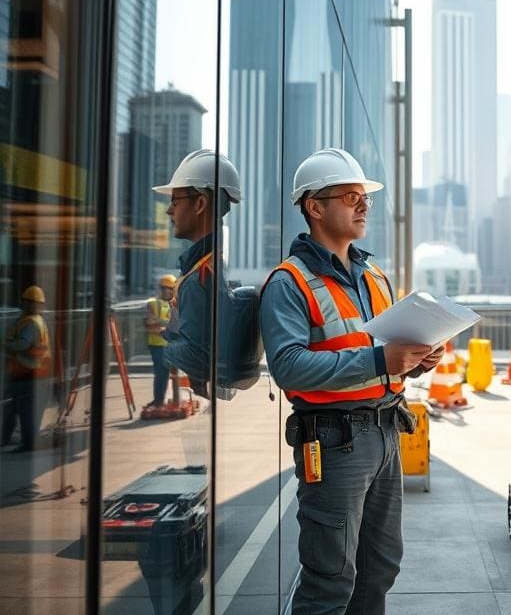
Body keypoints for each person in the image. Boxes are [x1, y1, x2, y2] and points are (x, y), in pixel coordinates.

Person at [261, 148, 443, 615]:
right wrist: (382, 360)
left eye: (365, 197)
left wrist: (417, 360)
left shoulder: (373, 276)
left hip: (386, 432)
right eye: (349, 196)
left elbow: (382, 354)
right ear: (315, 207)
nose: (363, 205)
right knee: (329, 581)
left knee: (379, 568)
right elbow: (288, 367)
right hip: (334, 442)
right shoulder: (289, 282)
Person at [152, 149, 242, 399]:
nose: (169, 211)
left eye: (175, 202)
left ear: (200, 204)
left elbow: (197, 356)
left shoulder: (199, 277)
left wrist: (164, 352)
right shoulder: (210, 266)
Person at [2, 286, 52, 452]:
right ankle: (6, 437)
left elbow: (22, 345)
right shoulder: (34, 320)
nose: (27, 304)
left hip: (28, 372)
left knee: (24, 410)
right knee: (15, 408)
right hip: (29, 371)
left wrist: (4, 344)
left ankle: (27, 443)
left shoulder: (31, 323)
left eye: (30, 302)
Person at [143, 274, 177, 408]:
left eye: (170, 289)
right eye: (165, 288)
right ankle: (158, 400)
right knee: (161, 374)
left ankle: (160, 400)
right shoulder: (153, 303)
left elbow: (172, 325)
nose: (167, 291)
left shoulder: (173, 304)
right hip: (158, 345)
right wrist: (165, 325)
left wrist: (160, 324)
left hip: (168, 345)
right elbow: (149, 324)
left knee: (164, 374)